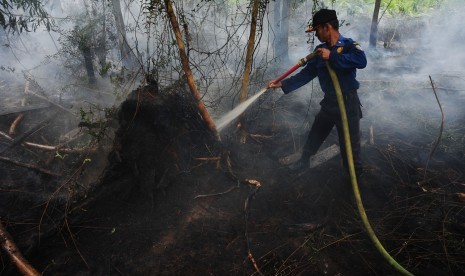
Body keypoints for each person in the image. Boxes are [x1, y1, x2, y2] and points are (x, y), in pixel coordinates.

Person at [267, 9, 367, 177]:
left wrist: (333, 56)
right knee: (315, 133)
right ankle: (304, 162)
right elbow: (306, 74)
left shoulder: (349, 45)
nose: (316, 34)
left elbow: (362, 61)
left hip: (348, 104)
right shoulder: (319, 51)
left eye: (317, 30)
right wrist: (282, 84)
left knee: (350, 147)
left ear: (327, 27)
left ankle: (354, 179)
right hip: (329, 103)